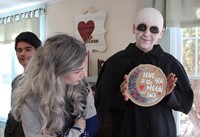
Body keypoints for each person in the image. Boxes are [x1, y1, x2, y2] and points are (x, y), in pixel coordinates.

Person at [95, 7, 194, 137]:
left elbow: (185, 103)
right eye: (142, 27)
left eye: (154, 29)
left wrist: (168, 95)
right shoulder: (114, 63)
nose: (147, 33)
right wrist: (122, 96)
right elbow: (101, 104)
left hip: (162, 131)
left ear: (161, 33)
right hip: (126, 131)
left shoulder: (170, 63)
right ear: (133, 28)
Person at [11, 33, 99, 137]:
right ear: (55, 72)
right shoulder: (30, 97)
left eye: (84, 68)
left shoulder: (82, 87)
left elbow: (93, 127)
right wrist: (77, 128)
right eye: (77, 71)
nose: (84, 75)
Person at [4, 31, 42, 137]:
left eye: (28, 49)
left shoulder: (44, 80)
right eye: (19, 50)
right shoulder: (16, 81)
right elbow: (14, 112)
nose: (22, 54)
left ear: (38, 51)